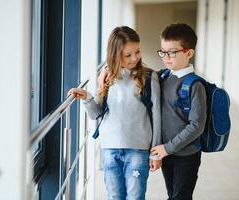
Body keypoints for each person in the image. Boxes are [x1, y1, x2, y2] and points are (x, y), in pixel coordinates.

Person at [69, 26, 162, 200]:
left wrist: (155, 153)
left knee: (135, 197)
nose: (135, 58)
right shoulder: (106, 77)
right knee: (115, 197)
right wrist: (87, 98)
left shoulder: (149, 77)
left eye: (137, 51)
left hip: (138, 150)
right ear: (115, 54)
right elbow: (96, 113)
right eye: (128, 55)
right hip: (109, 149)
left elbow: (156, 115)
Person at [150, 23, 207, 200]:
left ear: (189, 53)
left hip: (186, 155)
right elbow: (138, 71)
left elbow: (197, 125)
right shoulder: (163, 76)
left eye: (172, 52)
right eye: (163, 51)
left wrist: (167, 148)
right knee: (173, 194)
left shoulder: (194, 85)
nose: (166, 57)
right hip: (167, 153)